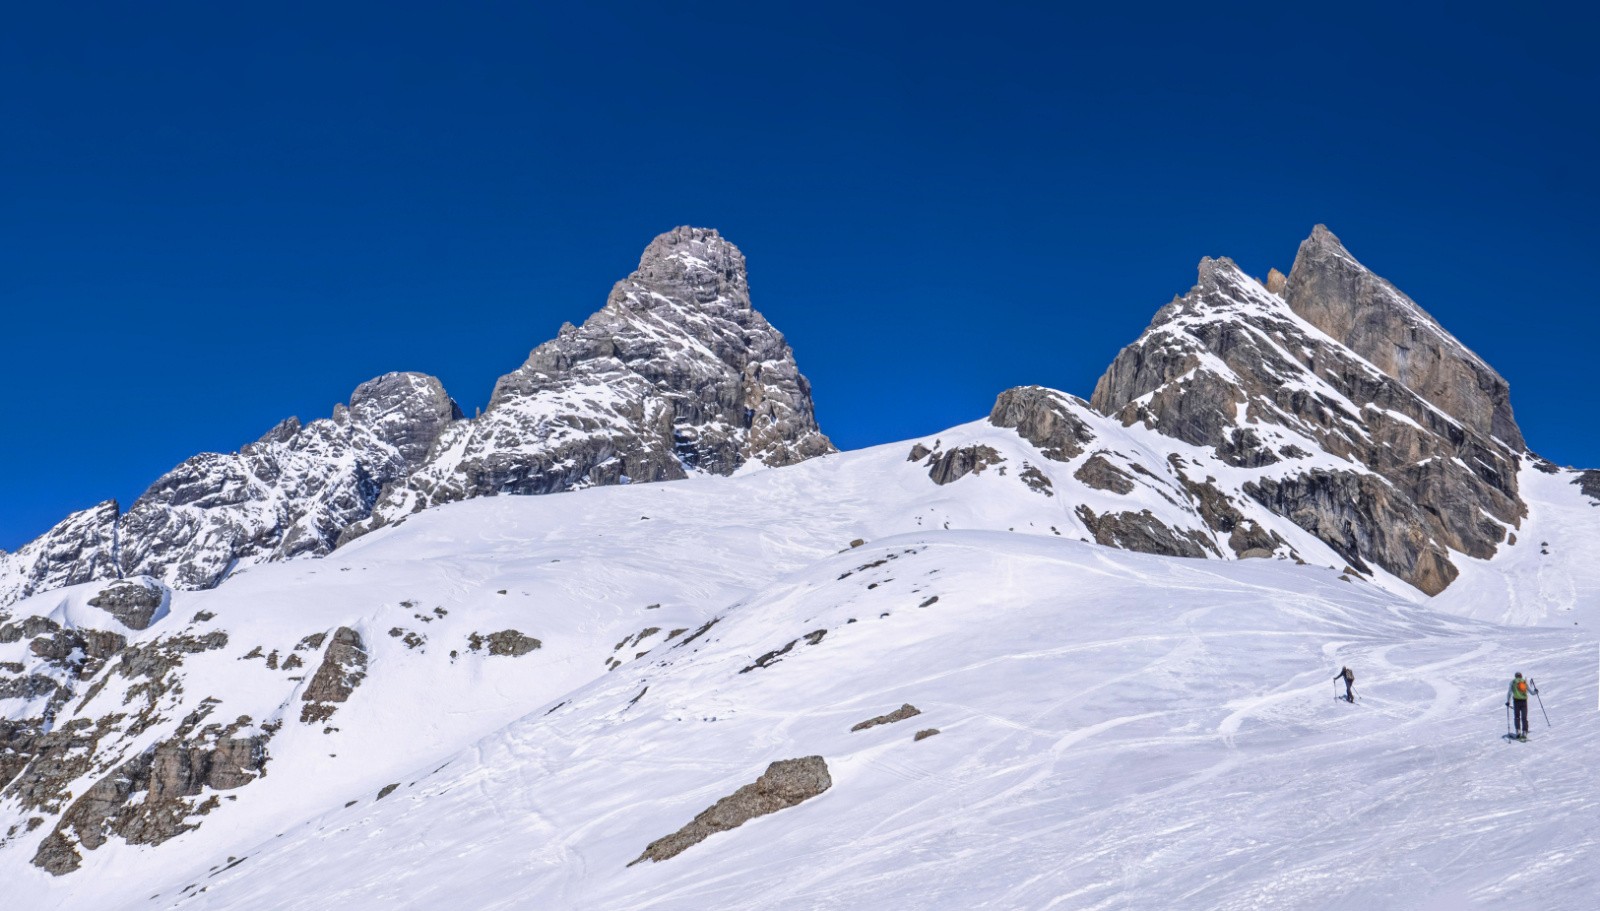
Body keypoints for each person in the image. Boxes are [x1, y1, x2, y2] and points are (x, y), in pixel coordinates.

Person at [1506, 672, 1538, 740]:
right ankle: (1524, 732)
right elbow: (1532, 693)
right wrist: (1536, 691)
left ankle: (1518, 731)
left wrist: (1508, 701)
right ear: (1521, 676)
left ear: (1515, 676)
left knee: (1517, 717)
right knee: (1524, 717)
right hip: (1524, 702)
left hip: (1516, 701)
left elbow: (1509, 693)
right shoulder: (1524, 682)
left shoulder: (1513, 682)